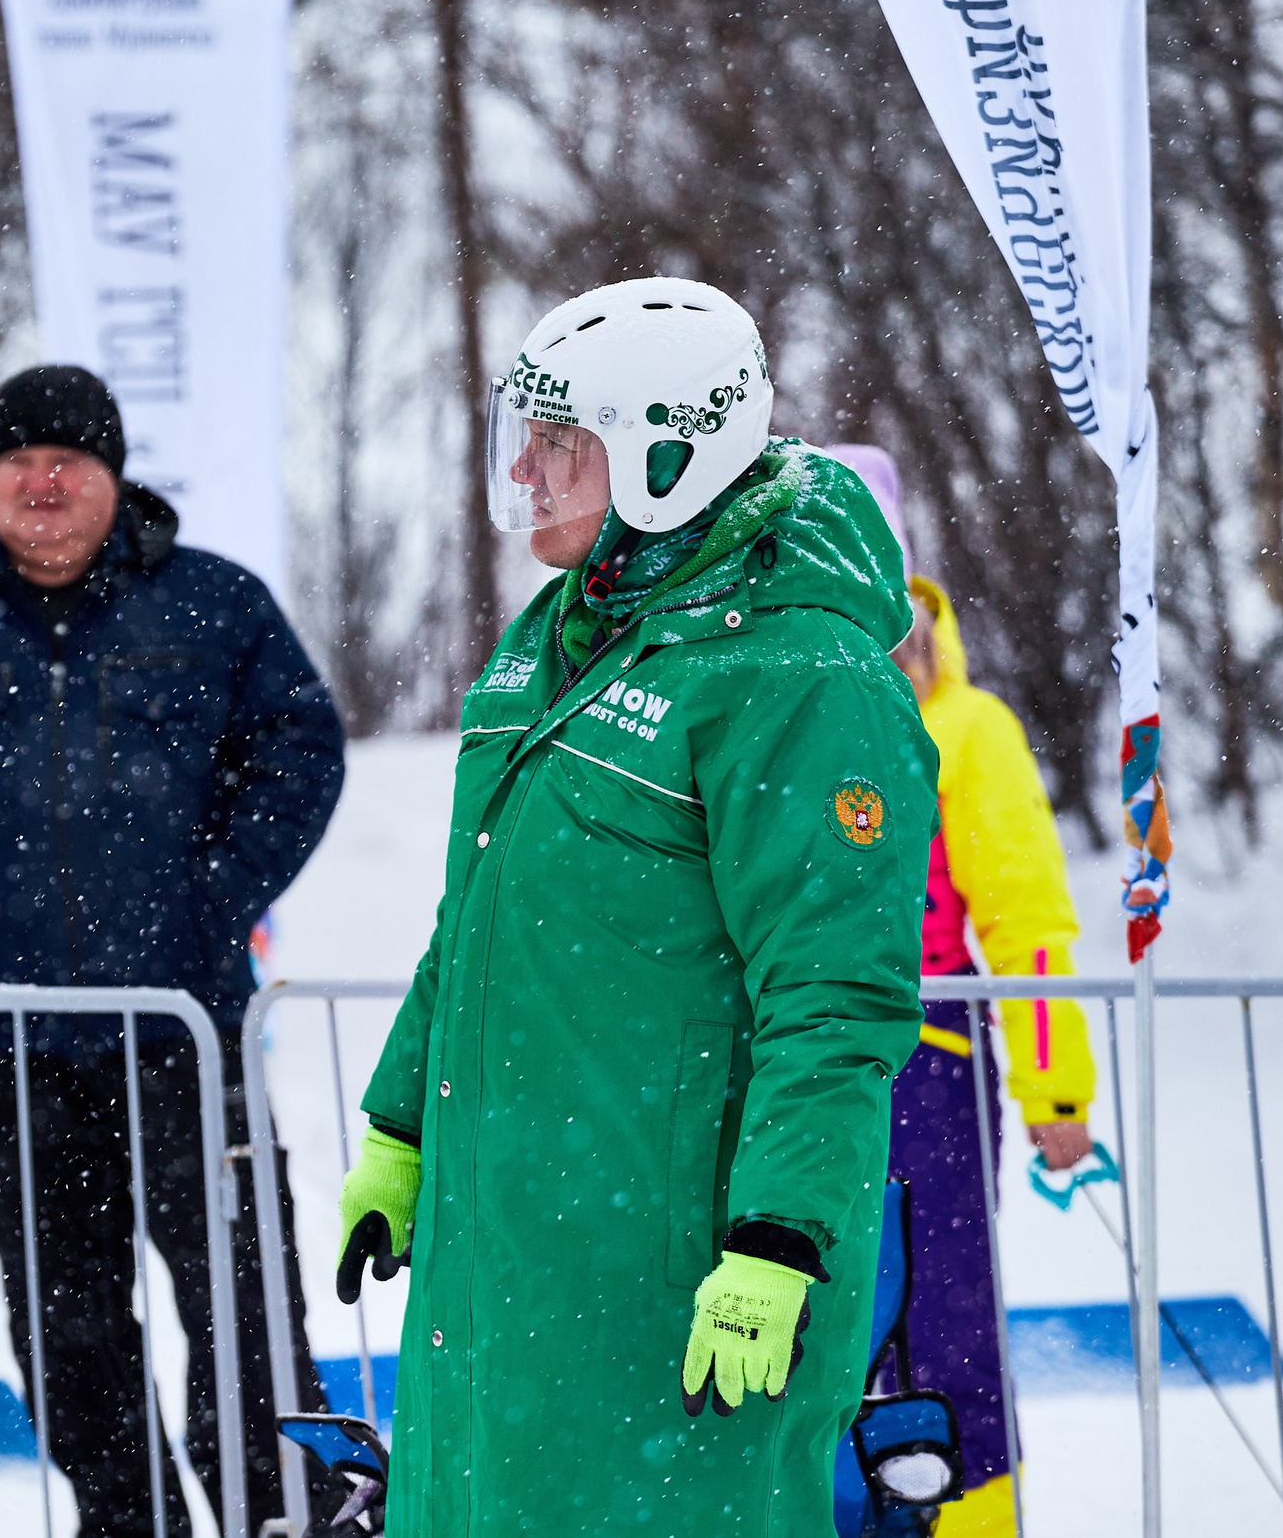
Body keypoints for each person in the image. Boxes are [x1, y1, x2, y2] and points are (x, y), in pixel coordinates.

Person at [332, 279, 934, 1535]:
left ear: (673, 452)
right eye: (526, 430)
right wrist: (400, 1126)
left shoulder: (797, 673)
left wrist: (778, 1241)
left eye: (562, 442)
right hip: (507, 1261)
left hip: (667, 1285)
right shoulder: (557, 631)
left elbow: (833, 1000)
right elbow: (482, 917)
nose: (525, 469)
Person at [0, 365, 345, 1537]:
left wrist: (214, 901)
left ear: (113, 477)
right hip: (16, 1048)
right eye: (17, 461)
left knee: (243, 1312)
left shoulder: (213, 604)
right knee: (64, 1333)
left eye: (68, 460)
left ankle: (283, 1518)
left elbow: (299, 751)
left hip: (185, 1029)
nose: (41, 482)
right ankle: (129, 1522)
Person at [829, 444, 1099, 1537]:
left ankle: (971, 1516)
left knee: (942, 1322)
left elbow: (1027, 926)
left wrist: (1055, 1094)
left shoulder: (967, 727)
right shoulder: (787, 704)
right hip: (785, 1063)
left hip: (927, 1061)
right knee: (807, 1323)